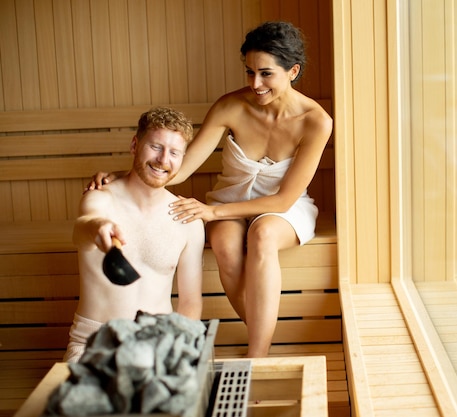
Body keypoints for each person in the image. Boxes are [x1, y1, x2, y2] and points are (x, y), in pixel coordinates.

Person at [88, 21, 333, 357]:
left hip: (284, 209)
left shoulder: (316, 121)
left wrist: (212, 212)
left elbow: (284, 198)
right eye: (249, 73)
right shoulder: (230, 106)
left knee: (261, 236)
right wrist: (123, 175)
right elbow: (180, 169)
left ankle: (257, 355)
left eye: (266, 74)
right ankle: (263, 334)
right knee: (225, 244)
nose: (255, 84)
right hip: (230, 200)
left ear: (293, 71)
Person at [64, 107, 205, 363]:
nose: (163, 160)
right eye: (155, 147)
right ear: (135, 145)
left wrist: (179, 354)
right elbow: (82, 228)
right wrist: (99, 228)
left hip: (158, 346)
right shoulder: (101, 200)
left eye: (174, 152)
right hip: (95, 345)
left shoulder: (187, 221)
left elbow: (190, 304)